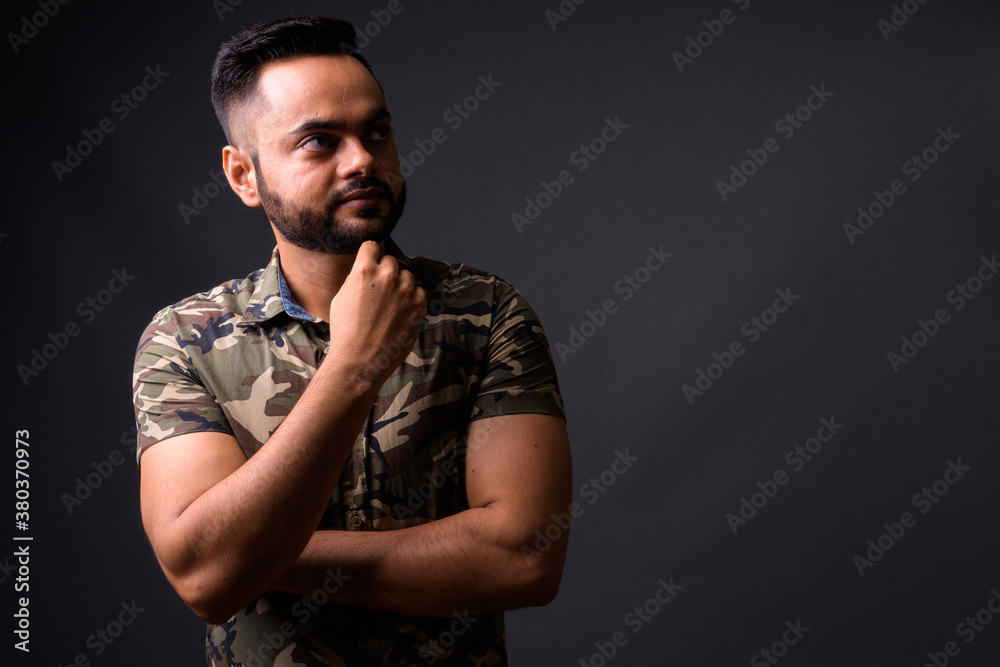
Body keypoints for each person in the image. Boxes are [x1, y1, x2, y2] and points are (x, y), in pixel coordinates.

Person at [132, 16, 572, 666]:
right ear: (243, 176)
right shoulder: (184, 340)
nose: (363, 159)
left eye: (377, 132)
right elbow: (206, 579)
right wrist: (353, 370)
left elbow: (525, 559)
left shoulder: (487, 314)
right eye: (318, 141)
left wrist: (260, 554)